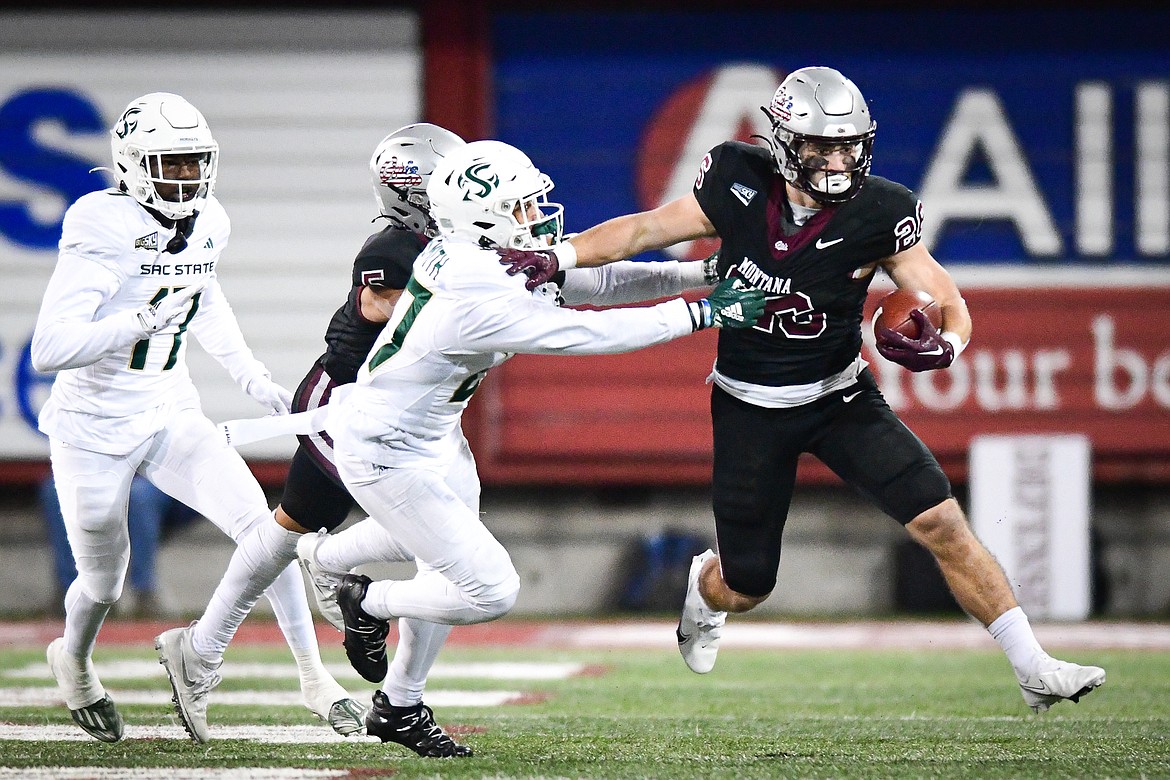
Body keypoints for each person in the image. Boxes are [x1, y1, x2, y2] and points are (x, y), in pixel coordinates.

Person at [498, 66, 1106, 714]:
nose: (841, 159)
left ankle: (1032, 665)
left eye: (850, 145)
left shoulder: (881, 210)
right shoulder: (737, 178)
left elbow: (946, 297)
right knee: (748, 583)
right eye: (824, 144)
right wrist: (562, 257)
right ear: (788, 141)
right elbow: (646, 231)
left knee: (941, 519)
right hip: (748, 404)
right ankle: (704, 591)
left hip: (840, 398)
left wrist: (947, 344)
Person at [261, 138, 765, 757]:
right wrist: (703, 312)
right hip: (386, 447)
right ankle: (362, 596)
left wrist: (700, 273)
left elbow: (594, 282)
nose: (537, 217)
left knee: (442, 556)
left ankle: (393, 693)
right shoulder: (475, 296)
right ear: (481, 217)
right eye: (521, 206)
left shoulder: (468, 254)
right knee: (487, 589)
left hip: (425, 434)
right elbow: (587, 332)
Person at [30, 92, 362, 743]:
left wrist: (254, 379)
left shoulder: (210, 219)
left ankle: (314, 680)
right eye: (170, 163)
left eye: (193, 162)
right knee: (103, 580)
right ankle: (71, 658)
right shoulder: (100, 222)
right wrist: (135, 321)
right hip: (92, 429)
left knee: (268, 532)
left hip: (169, 409)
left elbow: (203, 295)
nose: (185, 177)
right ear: (131, 164)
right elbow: (50, 349)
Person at [154, 123, 469, 751]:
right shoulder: (393, 248)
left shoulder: (454, 242)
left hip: (414, 416)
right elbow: (398, 314)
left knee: (294, 531)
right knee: (315, 532)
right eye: (453, 182)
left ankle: (212, 641)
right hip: (351, 405)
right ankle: (333, 585)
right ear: (417, 190)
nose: (467, 194)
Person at [41, 473, 198, 618]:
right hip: (101, 474)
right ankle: (77, 592)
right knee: (57, 488)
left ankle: (144, 592)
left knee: (139, 494)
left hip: (157, 477)